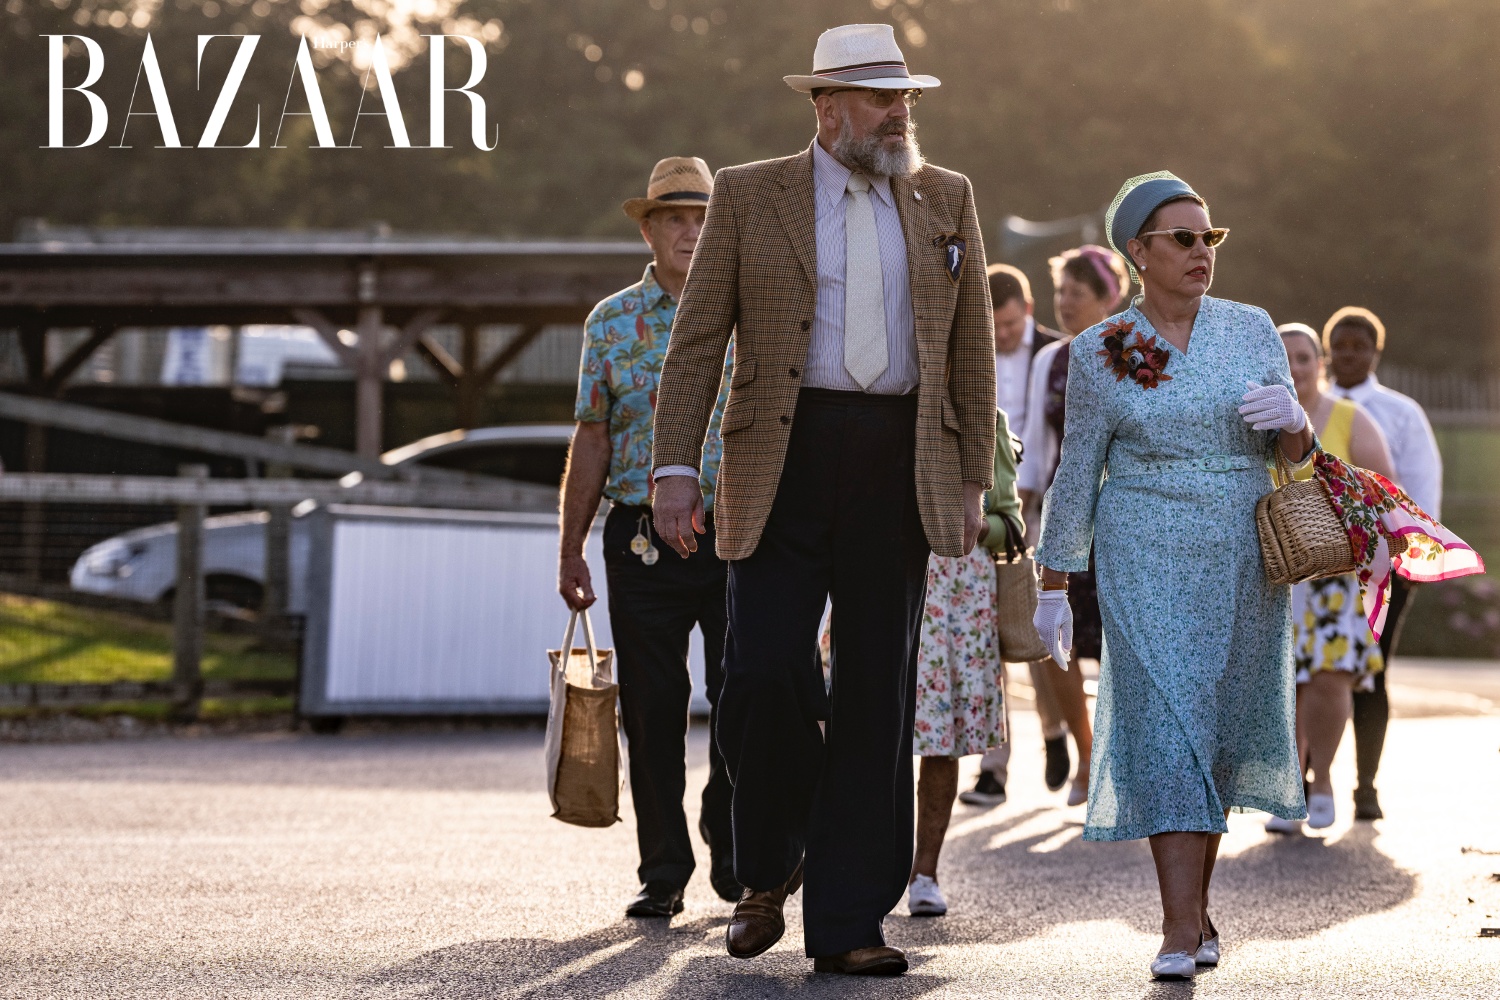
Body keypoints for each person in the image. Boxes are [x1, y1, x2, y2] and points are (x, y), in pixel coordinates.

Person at [649, 23, 996, 977]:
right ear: (826, 105)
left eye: (907, 98)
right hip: (781, 457)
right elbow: (697, 338)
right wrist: (673, 466)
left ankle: (847, 921)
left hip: (900, 461)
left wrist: (974, 482)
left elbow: (970, 350)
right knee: (760, 672)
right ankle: (767, 864)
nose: (899, 112)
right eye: (881, 97)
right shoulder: (750, 192)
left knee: (877, 695)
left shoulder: (945, 196)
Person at [1033, 172, 1313, 980]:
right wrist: (1054, 581)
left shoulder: (1252, 327)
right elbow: (1077, 468)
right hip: (1143, 546)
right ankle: (1178, 930)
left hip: (1238, 550)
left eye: (1210, 238)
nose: (1201, 252)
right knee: (1165, 723)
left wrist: (1295, 426)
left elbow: (1294, 457)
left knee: (1216, 726)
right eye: (1183, 239)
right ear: (1139, 253)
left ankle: (1195, 912)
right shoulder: (1101, 349)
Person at [556, 157, 738, 919]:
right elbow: (591, 437)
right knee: (653, 709)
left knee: (745, 694)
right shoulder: (610, 322)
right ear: (649, 228)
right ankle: (663, 868)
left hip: (736, 531)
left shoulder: (748, 310)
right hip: (637, 538)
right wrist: (570, 545)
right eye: (674, 219)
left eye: (702, 218)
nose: (690, 232)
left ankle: (731, 840)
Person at [990, 245, 1130, 809]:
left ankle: (1121, 760)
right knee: (1058, 643)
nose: (1065, 303)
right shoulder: (1053, 360)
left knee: (1123, 644)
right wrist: (1023, 514)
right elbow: (1037, 446)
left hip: (1124, 522)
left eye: (1077, 293)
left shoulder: (1133, 351)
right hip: (1063, 520)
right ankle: (1086, 751)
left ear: (1107, 298)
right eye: (1061, 292)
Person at [1266, 324, 1397, 835]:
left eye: (1303, 357)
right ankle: (1289, 785)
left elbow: (1385, 491)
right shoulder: (1256, 419)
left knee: (1328, 680)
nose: (1295, 367)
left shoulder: (1349, 418)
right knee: (1281, 685)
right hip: (1274, 574)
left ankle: (1321, 780)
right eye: (1285, 358)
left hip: (1335, 577)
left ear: (1318, 362)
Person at [1322, 306, 1444, 821]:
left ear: (1376, 351)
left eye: (1360, 346)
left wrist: (1407, 559)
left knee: (1370, 672)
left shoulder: (1401, 413)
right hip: (1317, 566)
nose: (1349, 355)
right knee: (1314, 671)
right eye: (1341, 346)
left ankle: (1365, 784)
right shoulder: (1310, 405)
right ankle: (1312, 779)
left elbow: (1420, 486)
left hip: (1380, 565)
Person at [904, 411, 1024, 918]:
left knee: (942, 740)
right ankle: (864, 866)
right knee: (863, 734)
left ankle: (923, 873)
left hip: (958, 592)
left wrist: (965, 524)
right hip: (878, 573)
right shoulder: (881, 398)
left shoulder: (984, 417)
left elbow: (1011, 525)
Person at [959, 264, 1065, 808]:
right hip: (986, 513)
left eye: (1008, 323)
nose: (1000, 334)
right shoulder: (969, 350)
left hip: (1040, 508)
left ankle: (1053, 732)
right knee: (987, 636)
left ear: (1027, 307)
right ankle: (994, 766)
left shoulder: (1055, 355)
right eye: (992, 324)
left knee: (1032, 631)